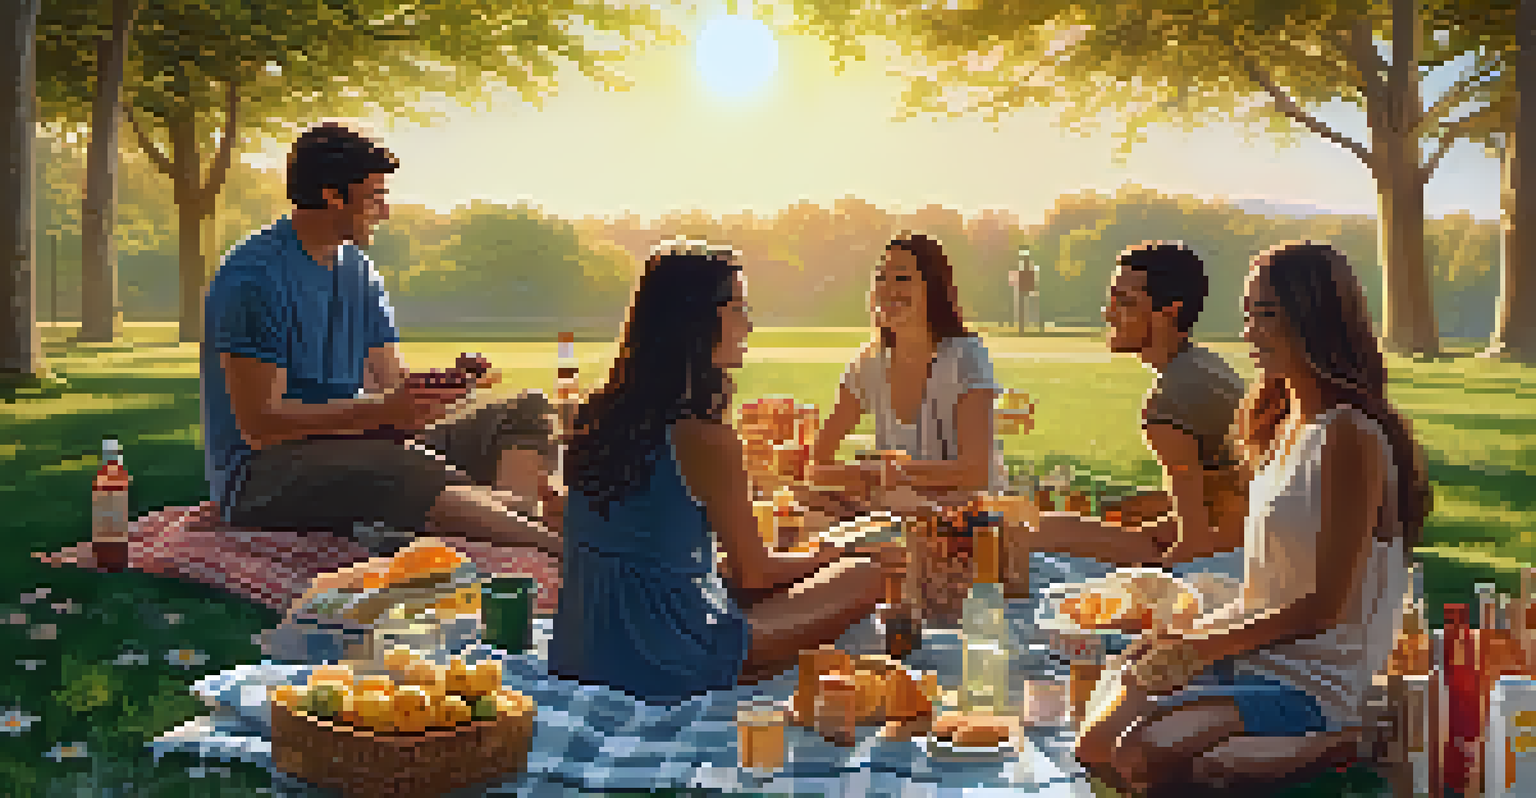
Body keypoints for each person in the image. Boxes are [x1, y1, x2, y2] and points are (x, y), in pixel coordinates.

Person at [1073, 241, 1433, 796]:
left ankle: (1349, 738)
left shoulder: (1349, 436)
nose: (1250, 332)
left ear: (1314, 319)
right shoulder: (1281, 426)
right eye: (1248, 314)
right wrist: (1181, 633)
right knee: (1095, 745)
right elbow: (1263, 591)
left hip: (1316, 681)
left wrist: (1197, 649)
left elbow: (1323, 606)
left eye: (1267, 314)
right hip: (1256, 654)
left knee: (1148, 757)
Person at [549, 240, 906, 704]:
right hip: (664, 662)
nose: (748, 324)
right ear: (696, 320)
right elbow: (753, 575)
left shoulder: (593, 414)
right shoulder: (704, 438)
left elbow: (660, 555)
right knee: (865, 575)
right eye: (737, 308)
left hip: (581, 654)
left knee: (761, 584)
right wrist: (831, 551)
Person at [201, 122, 562, 578]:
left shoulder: (358, 269)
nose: (385, 211)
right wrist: (382, 414)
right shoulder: (256, 277)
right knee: (395, 464)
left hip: (365, 445)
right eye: (374, 196)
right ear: (334, 195)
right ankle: (554, 544)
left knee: (525, 409)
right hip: (263, 477)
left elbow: (392, 387)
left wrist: (443, 388)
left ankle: (506, 515)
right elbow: (260, 427)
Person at [1023, 241, 1250, 568]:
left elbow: (1195, 546)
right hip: (1243, 536)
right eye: (1111, 300)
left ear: (1168, 313)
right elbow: (1215, 495)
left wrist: (1135, 580)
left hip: (1233, 558)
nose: (1108, 313)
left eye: (1125, 303)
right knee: (1040, 526)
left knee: (1027, 540)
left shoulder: (1169, 406)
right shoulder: (1205, 365)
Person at [807, 233, 1001, 511]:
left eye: (901, 278)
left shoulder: (965, 355)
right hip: (899, 520)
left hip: (975, 524)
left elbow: (976, 472)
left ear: (932, 289)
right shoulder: (869, 361)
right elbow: (819, 458)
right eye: (880, 278)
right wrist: (872, 478)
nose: (887, 289)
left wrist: (889, 474)